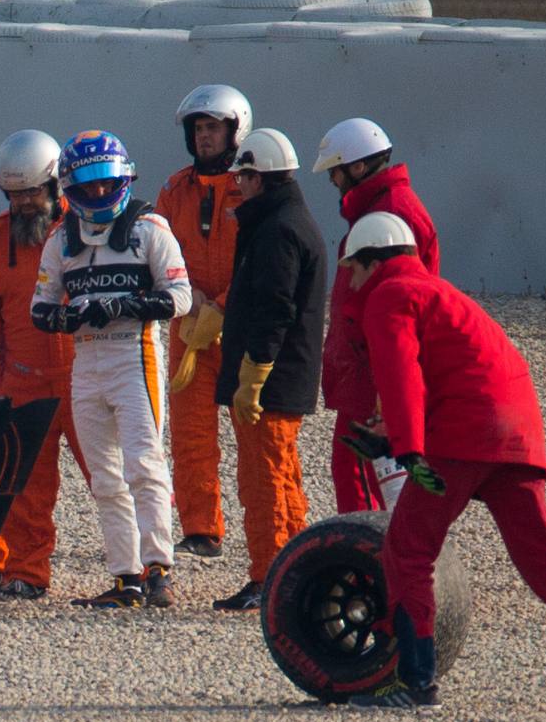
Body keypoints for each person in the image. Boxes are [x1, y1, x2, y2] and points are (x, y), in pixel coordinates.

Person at [336, 212, 546, 712]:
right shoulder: (447, 295)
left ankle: (416, 683)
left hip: (465, 437)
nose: (352, 281)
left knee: (408, 549)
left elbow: (400, 376)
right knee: (545, 560)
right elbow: (459, 375)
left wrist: (404, 446)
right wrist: (397, 436)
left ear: (373, 261)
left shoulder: (390, 294)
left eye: (354, 270)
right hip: (517, 432)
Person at [31, 130, 191, 608]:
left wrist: (127, 304)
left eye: (106, 183)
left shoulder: (150, 230)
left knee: (144, 461)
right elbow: (39, 308)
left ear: (123, 179)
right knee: (103, 475)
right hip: (85, 360)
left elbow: (180, 298)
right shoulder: (61, 239)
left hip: (133, 353)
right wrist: (67, 317)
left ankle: (159, 567)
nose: (99, 193)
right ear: (69, 189)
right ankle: (126, 577)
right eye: (88, 186)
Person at [0, 130, 90, 600]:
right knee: (25, 489)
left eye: (30, 193)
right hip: (22, 383)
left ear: (56, 185)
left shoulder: (87, 228)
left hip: (86, 379)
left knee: (113, 478)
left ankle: (139, 570)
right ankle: (26, 572)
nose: (21, 204)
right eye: (13, 195)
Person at [212, 129, 326, 612]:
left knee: (265, 483)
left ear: (259, 177)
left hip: (270, 382)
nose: (237, 186)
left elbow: (275, 309)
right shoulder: (288, 220)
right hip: (283, 378)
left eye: (242, 176)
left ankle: (270, 579)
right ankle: (293, 574)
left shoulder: (277, 229)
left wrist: (254, 374)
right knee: (284, 479)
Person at [312, 118, 439, 513]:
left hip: (375, 367)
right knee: (364, 474)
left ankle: (373, 561)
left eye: (334, 171)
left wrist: (388, 385)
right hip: (369, 365)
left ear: (357, 167)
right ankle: (383, 560)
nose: (332, 181)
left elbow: (405, 302)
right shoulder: (385, 210)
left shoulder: (390, 215)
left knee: (364, 476)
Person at [156, 84, 253, 559]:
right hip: (189, 327)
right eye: (198, 129)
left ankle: (267, 529)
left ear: (235, 130)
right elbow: (156, 249)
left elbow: (264, 260)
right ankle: (201, 530)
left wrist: (223, 305)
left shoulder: (253, 187)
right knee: (191, 436)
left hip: (240, 330)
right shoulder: (175, 190)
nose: (204, 138)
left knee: (256, 437)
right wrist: (188, 297)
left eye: (212, 127)